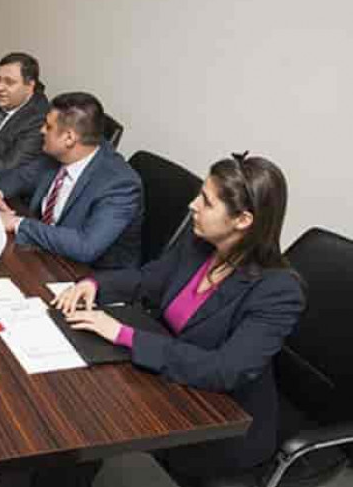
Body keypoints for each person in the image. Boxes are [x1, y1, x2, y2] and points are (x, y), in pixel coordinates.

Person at [53, 154, 304, 483]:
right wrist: (95, 283)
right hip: (166, 381)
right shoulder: (200, 244)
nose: (192, 205)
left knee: (84, 423)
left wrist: (124, 335)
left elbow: (225, 369)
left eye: (207, 202)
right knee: (74, 410)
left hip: (219, 420)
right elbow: (148, 279)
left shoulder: (278, 290)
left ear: (242, 220)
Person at [0, 92, 142, 269]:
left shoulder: (120, 184)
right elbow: (23, 175)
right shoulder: (62, 152)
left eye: (48, 127)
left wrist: (18, 223)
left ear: (69, 138)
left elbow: (86, 246)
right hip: (45, 253)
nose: (41, 130)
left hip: (85, 274)